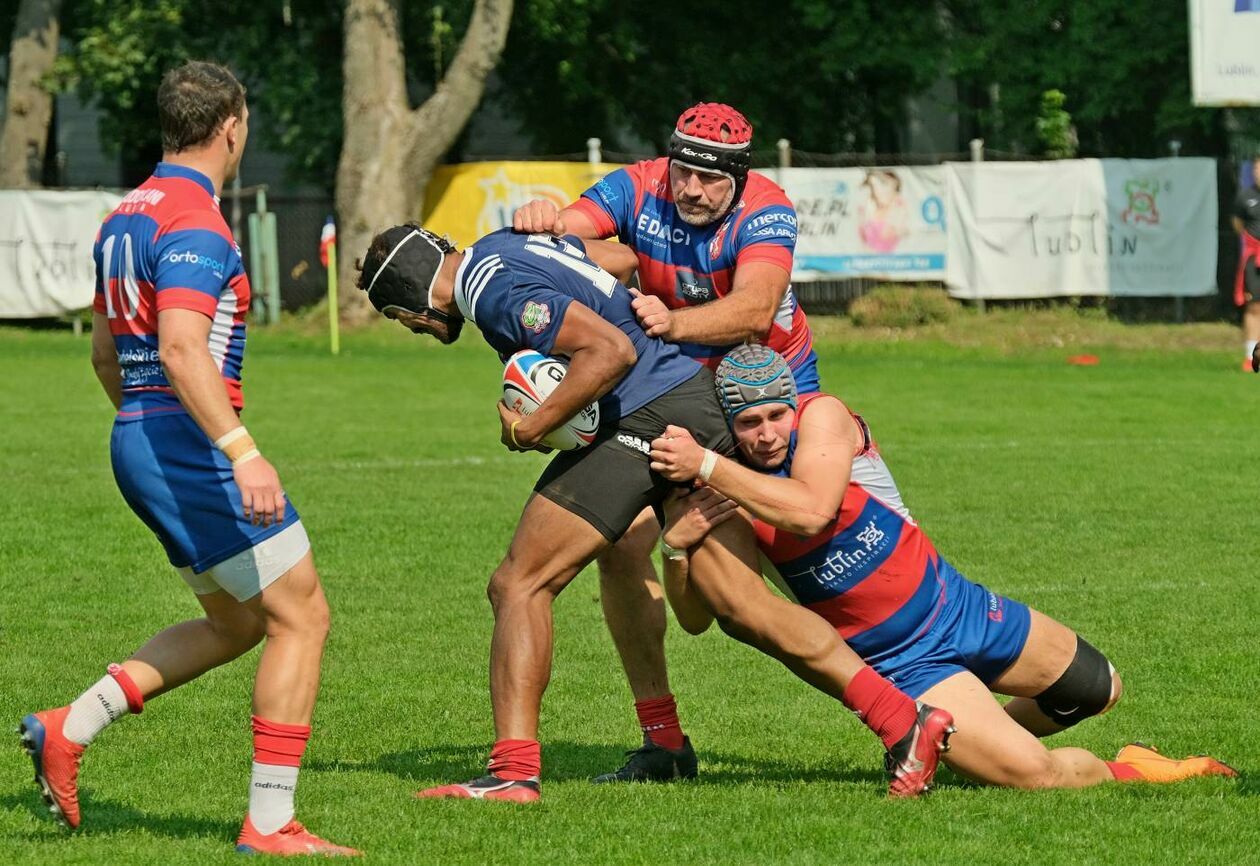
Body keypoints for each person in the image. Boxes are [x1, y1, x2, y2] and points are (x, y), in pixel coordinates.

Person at [357, 224, 954, 801]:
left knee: (519, 583)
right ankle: (900, 720)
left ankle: (513, 774)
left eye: (397, 315)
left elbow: (608, 350)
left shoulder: (488, 291)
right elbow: (616, 263)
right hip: (686, 398)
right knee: (740, 606)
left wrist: (531, 426)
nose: (410, 327)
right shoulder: (501, 246)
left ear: (408, 292)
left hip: (648, 418)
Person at [17, 62, 358, 857]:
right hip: (184, 438)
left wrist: (146, 437)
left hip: (138, 432)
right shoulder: (197, 224)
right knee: (302, 615)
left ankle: (70, 727)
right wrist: (239, 452)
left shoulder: (123, 216)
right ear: (232, 126)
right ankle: (271, 825)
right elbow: (179, 345)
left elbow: (107, 355)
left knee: (237, 620)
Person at [650, 344, 1239, 790]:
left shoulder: (822, 418)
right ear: (730, 426)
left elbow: (810, 512)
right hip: (905, 661)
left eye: (777, 415)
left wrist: (705, 463)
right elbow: (702, 619)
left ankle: (961, 744)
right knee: (1034, 775)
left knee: (1097, 688)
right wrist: (675, 550)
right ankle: (1133, 770)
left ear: (793, 407)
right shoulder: (725, 498)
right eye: (749, 424)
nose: (767, 435)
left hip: (958, 603)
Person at [513, 102, 817, 782]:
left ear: (739, 178)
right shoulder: (639, 183)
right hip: (672, 404)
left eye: (711, 180)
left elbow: (756, 309)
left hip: (770, 410)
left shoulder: (767, 209)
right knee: (619, 544)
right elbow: (574, 227)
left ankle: (900, 708)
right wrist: (547, 219)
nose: (691, 190)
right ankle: (664, 743)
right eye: (684, 172)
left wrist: (673, 323)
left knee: (773, 592)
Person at [1231, 154, 1260, 372]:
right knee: (1254, 307)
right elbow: (1237, 224)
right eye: (1257, 169)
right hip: (1254, 259)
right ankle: (1251, 357)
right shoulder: (1245, 196)